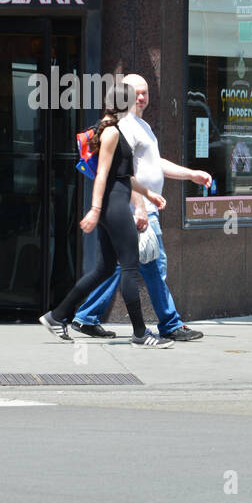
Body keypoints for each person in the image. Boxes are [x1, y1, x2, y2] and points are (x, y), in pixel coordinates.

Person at [69, 74, 212, 341]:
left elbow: (155, 165)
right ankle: (170, 324)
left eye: (146, 92)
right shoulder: (124, 127)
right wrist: (140, 208)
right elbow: (124, 172)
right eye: (137, 92)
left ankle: (85, 317)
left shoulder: (141, 125)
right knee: (154, 266)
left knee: (123, 267)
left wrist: (191, 174)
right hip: (136, 209)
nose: (143, 97)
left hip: (139, 208)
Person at [40, 83, 173, 347]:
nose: (139, 101)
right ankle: (140, 333)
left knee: (104, 269)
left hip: (116, 202)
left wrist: (148, 195)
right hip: (113, 206)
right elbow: (102, 174)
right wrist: (96, 210)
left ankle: (57, 317)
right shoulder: (112, 132)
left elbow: (123, 175)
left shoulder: (118, 130)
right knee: (130, 267)